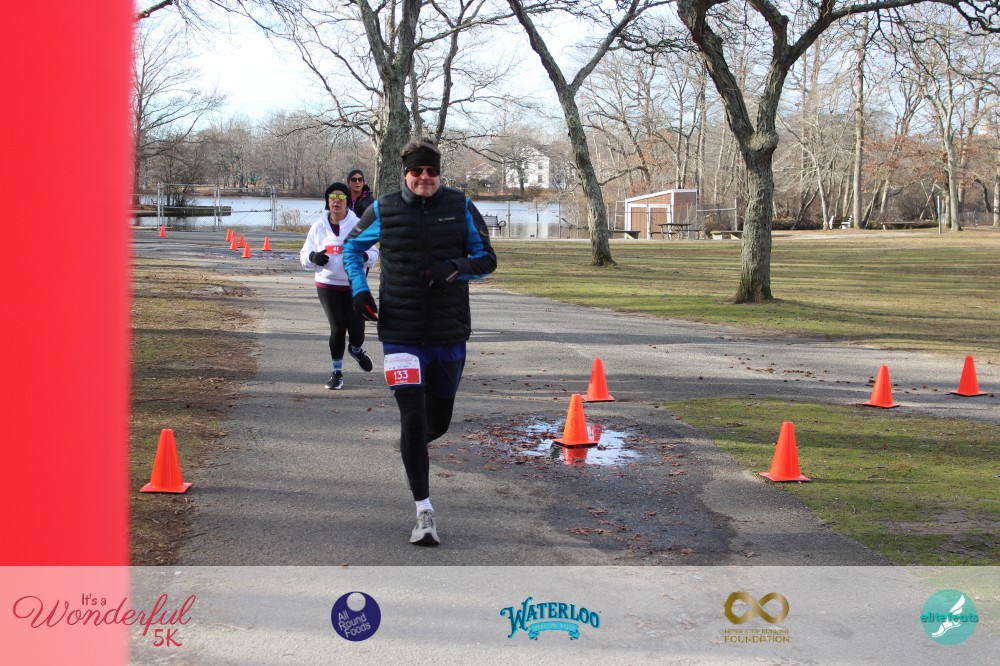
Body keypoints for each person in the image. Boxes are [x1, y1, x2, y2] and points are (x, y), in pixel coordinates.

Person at [342, 137, 497, 546]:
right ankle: (423, 511)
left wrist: (456, 267)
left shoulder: (460, 205)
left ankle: (413, 451)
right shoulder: (384, 209)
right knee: (412, 417)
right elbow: (351, 249)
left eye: (431, 170)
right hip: (401, 333)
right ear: (405, 173)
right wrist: (359, 289)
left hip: (448, 333)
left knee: (438, 422)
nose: (424, 177)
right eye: (417, 171)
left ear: (439, 172)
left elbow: (487, 259)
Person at [300, 182, 379, 390]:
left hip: (353, 285)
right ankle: (336, 372)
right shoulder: (318, 226)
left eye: (342, 197)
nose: (337, 201)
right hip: (327, 284)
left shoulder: (358, 224)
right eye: (333, 197)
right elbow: (304, 255)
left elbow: (374, 252)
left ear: (347, 201)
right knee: (337, 327)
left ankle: (356, 349)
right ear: (327, 201)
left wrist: (364, 256)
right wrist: (313, 257)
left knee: (357, 330)